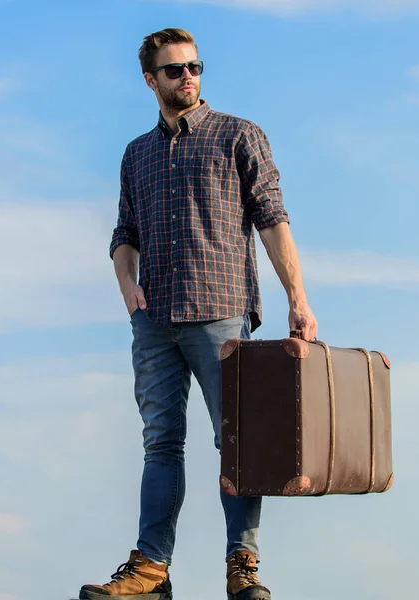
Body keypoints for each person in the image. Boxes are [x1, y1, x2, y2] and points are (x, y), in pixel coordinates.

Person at [79, 27, 317, 600]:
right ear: (150, 80)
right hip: (154, 319)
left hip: (221, 313)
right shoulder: (136, 153)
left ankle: (243, 566)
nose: (188, 77)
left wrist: (298, 299)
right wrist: (125, 284)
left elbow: (272, 218)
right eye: (174, 70)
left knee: (236, 442)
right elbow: (124, 231)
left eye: (194, 66)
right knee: (160, 442)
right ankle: (151, 570)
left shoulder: (239, 136)